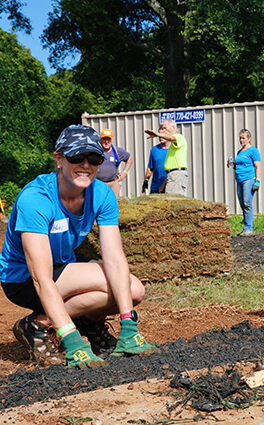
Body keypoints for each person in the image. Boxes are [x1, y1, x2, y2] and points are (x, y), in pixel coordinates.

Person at [0, 125, 158, 368]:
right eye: (76, 157)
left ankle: (59, 322)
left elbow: (115, 259)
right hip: (23, 280)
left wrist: (129, 324)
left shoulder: (102, 194)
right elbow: (41, 278)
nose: (86, 165)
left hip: (63, 266)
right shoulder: (36, 199)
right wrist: (71, 340)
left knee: (134, 290)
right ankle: (44, 327)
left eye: (93, 158)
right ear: (59, 158)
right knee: (117, 282)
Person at [227, 129, 261, 236]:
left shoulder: (253, 151)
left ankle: (248, 228)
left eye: (243, 138)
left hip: (249, 179)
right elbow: (238, 166)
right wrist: (231, 164)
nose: (241, 140)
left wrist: (257, 181)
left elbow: (257, 166)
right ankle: (245, 226)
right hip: (239, 179)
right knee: (242, 204)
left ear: (249, 138)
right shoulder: (239, 152)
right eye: (240, 138)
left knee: (247, 203)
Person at [145, 119, 188, 195]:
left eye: (165, 128)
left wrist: (157, 134)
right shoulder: (156, 149)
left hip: (176, 175)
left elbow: (172, 138)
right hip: (171, 175)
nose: (163, 130)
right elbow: (170, 169)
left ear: (173, 127)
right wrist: (163, 185)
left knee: (172, 201)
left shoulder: (179, 137)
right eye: (162, 128)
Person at [96, 128, 134, 197]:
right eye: (104, 139)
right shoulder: (95, 151)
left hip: (113, 183)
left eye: (108, 139)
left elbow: (130, 158)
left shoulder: (117, 151)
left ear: (111, 140)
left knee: (113, 203)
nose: (106, 141)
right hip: (98, 184)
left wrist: (124, 172)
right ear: (100, 139)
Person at [142, 126, 169, 194]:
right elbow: (150, 168)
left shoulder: (173, 150)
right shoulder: (154, 150)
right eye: (159, 135)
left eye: (163, 135)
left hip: (169, 186)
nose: (160, 137)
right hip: (155, 187)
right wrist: (146, 181)